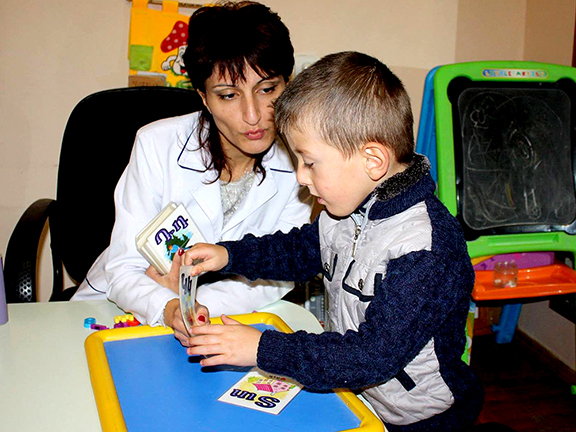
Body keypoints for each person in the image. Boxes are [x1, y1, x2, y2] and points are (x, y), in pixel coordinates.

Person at [180, 52, 484, 431]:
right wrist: (228, 254)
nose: (300, 177)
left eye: (309, 162)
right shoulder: (348, 209)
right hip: (360, 397)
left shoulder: (427, 252)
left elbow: (371, 356)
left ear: (372, 160)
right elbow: (294, 251)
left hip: (423, 418)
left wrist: (259, 348)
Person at [72, 1, 312, 345]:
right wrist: (167, 306)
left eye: (268, 89)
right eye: (228, 95)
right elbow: (123, 269)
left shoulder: (302, 163)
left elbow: (278, 274)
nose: (253, 115)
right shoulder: (157, 145)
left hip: (222, 321)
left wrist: (191, 306)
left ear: (287, 84)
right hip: (118, 311)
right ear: (203, 96)